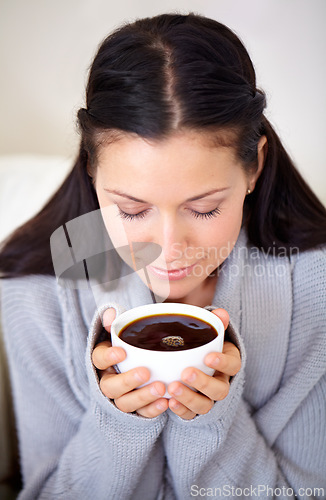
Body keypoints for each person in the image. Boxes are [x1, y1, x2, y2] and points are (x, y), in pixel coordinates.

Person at [1, 12, 326, 500]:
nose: (169, 251)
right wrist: (119, 425)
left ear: (254, 167)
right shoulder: (35, 287)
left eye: (204, 208)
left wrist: (212, 420)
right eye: (132, 210)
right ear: (91, 168)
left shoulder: (313, 285)